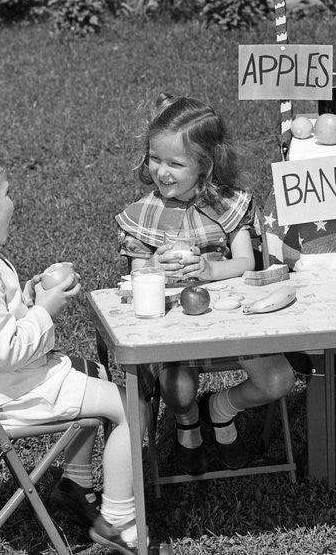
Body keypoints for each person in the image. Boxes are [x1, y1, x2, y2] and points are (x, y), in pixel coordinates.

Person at [0, 141, 169, 555]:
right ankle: (118, 522)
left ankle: (75, 485)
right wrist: (46, 310)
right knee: (131, 408)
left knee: (93, 371)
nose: (14, 202)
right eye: (7, 194)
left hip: (8, 383)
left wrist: (27, 300)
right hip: (17, 393)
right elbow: (6, 351)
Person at [116, 94, 295, 475]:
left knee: (278, 379)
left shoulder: (228, 205)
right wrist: (154, 265)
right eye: (155, 158)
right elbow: (135, 279)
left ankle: (220, 408)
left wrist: (211, 271)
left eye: (175, 163)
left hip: (232, 318)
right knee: (179, 390)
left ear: (205, 164)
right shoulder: (143, 215)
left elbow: (246, 262)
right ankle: (187, 424)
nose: (162, 171)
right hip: (173, 326)